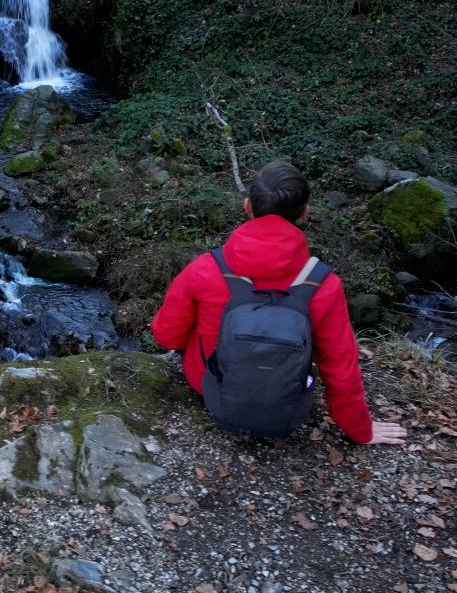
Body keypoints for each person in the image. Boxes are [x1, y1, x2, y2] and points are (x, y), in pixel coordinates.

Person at [150, 161, 407, 445]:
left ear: (247, 206)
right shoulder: (323, 284)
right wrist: (360, 429)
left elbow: (166, 336)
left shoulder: (206, 267)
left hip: (211, 386)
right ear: (305, 213)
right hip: (286, 399)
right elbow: (340, 366)